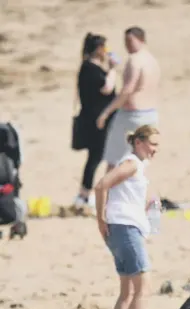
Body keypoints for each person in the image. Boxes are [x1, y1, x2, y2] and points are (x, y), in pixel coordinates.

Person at [94, 125, 160, 309]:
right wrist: (100, 219)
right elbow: (101, 185)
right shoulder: (131, 163)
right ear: (139, 142)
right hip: (124, 226)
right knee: (143, 284)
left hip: (122, 225)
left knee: (127, 289)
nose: (155, 149)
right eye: (153, 143)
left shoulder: (137, 165)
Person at [96, 27, 160, 170]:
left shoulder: (135, 60)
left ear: (141, 40)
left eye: (130, 41)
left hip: (132, 115)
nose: (127, 45)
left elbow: (127, 90)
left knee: (115, 159)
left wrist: (106, 112)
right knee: (139, 160)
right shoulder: (152, 60)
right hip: (150, 114)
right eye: (125, 41)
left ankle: (108, 192)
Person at [75, 33, 117, 209]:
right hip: (96, 121)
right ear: (98, 49)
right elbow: (107, 88)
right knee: (95, 157)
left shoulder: (91, 68)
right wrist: (113, 69)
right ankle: (84, 194)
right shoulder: (90, 69)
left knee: (97, 157)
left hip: (97, 119)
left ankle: (85, 194)